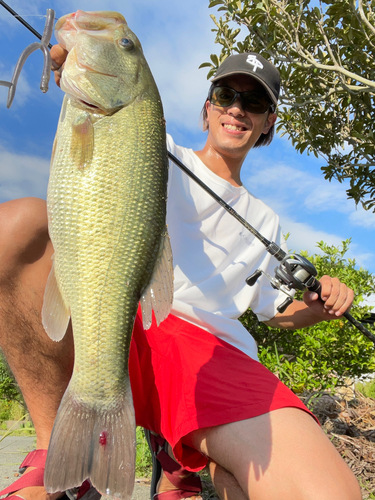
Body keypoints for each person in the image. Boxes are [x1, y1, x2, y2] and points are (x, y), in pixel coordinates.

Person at [0, 47, 361, 500]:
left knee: (327, 495)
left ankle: (179, 453)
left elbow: (273, 313)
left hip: (215, 356)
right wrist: (82, 76)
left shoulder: (266, 221)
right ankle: (58, 448)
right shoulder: (154, 147)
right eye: (227, 94)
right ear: (207, 108)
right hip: (128, 327)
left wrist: (318, 309)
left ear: (269, 121)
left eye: (254, 103)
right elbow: (76, 162)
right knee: (14, 228)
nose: (237, 109)